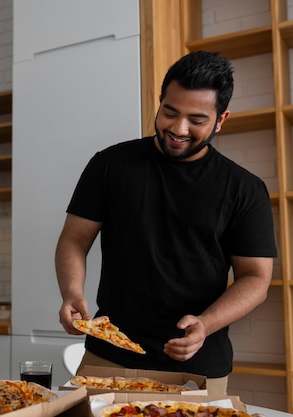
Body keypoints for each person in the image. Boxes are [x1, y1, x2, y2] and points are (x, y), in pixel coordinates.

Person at [55, 51, 277, 395]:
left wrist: (205, 324)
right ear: (159, 103)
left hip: (199, 366)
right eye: (169, 112)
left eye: (196, 119)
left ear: (221, 120)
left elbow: (256, 278)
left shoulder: (245, 189)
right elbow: (74, 240)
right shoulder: (110, 165)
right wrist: (71, 292)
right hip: (110, 356)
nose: (178, 129)